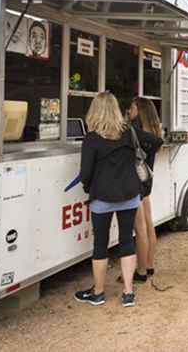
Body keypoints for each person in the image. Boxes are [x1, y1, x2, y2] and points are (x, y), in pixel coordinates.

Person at [73, 92, 159, 308]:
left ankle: (99, 293)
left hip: (102, 197)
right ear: (115, 110)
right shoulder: (129, 132)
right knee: (126, 240)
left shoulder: (91, 139)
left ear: (95, 111)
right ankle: (128, 293)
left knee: (100, 244)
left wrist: (88, 187)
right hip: (129, 195)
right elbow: (155, 142)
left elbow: (85, 174)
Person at [124, 98, 164, 283]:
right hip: (147, 182)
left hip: (137, 183)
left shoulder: (137, 132)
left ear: (139, 110)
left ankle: (140, 271)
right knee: (148, 225)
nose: (129, 110)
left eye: (132, 108)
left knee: (139, 229)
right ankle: (149, 265)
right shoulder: (152, 130)